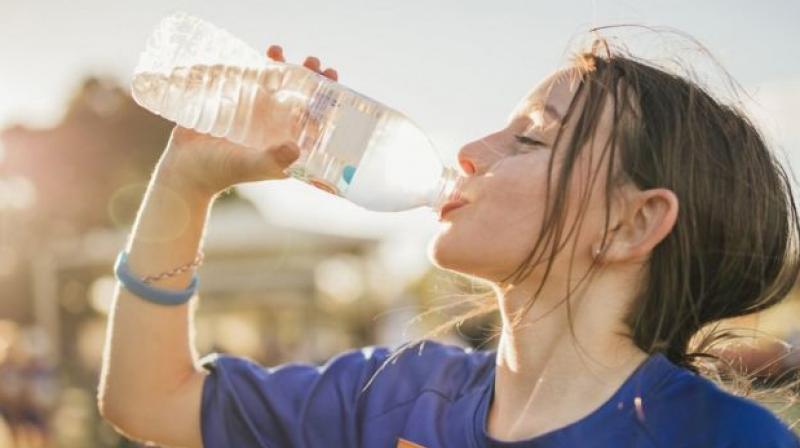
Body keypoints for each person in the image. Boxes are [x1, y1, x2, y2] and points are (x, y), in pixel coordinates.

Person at [97, 38, 800, 447]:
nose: (468, 151)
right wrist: (184, 185)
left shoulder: (720, 438)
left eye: (529, 137)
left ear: (632, 223)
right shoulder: (396, 395)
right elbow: (147, 400)